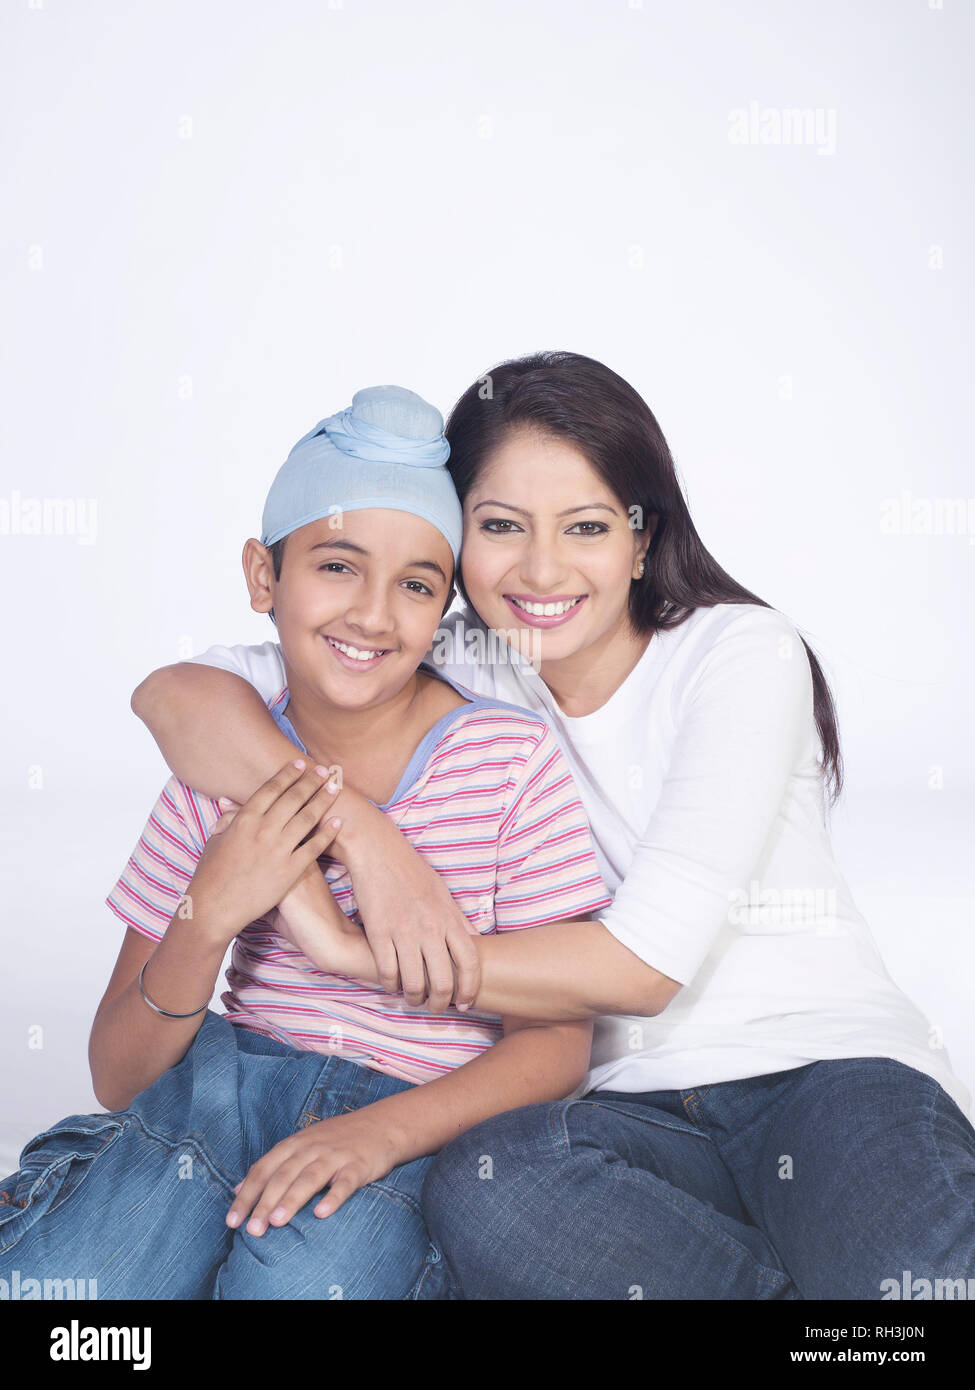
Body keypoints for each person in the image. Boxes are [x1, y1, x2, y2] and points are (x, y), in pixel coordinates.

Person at [131, 351, 975, 1300]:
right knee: (489, 1192)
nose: (540, 570)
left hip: (823, 1071)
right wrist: (366, 834)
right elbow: (178, 698)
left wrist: (356, 952)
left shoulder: (737, 652)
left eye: (582, 527)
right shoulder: (460, 653)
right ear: (455, 554)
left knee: (921, 1291)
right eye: (498, 527)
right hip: (615, 1116)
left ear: (640, 538)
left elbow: (639, 972)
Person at [0, 383, 612, 1300]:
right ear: (262, 577)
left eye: (416, 585)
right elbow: (118, 1075)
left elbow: (557, 1043)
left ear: (445, 606)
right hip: (214, 1092)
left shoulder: (507, 766)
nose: (372, 614)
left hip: (404, 1128)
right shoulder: (220, 760)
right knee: (72, 1286)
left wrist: (382, 1135)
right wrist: (209, 916)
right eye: (336, 565)